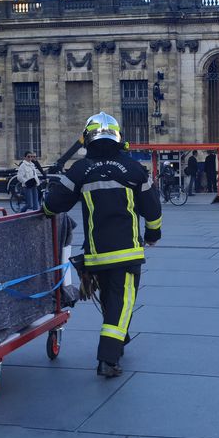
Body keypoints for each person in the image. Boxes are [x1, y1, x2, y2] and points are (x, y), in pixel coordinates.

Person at [44, 112, 162, 378]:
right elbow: (152, 210)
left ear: (88, 138)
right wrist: (154, 235)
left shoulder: (80, 170)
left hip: (96, 255)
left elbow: (53, 204)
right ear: (118, 137)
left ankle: (120, 337)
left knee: (111, 301)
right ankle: (108, 358)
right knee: (122, 302)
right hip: (127, 252)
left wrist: (44, 209)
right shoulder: (134, 169)